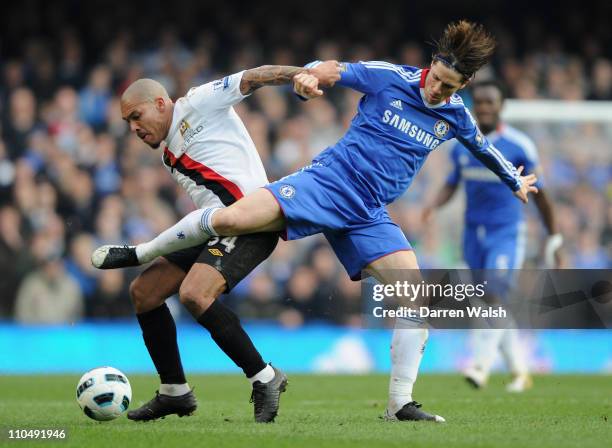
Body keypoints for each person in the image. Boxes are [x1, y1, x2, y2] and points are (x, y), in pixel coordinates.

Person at [94, 21, 539, 422]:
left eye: (450, 87)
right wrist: (308, 77)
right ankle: (142, 254)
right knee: (231, 219)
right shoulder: (391, 77)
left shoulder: (455, 114)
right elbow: (334, 69)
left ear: (464, 85)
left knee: (415, 301)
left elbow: (484, 148)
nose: (438, 91)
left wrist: (514, 180)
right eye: (438, 80)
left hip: (368, 213)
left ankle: (400, 404)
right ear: (432, 66)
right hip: (327, 182)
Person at [96, 62, 339, 423]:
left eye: (136, 116)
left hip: (253, 224)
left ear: (161, 103)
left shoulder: (197, 102)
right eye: (127, 123)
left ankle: (265, 377)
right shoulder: (167, 154)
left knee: (195, 293)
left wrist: (303, 74)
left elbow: (254, 76)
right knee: (144, 292)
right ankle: (174, 391)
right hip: (216, 227)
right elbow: (211, 210)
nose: (133, 128)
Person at [421, 80, 563, 392]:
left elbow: (541, 195)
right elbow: (452, 183)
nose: (484, 108)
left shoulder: (518, 146)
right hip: (473, 234)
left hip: (506, 232)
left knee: (495, 292)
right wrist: (433, 205)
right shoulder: (463, 146)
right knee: (486, 301)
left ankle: (480, 365)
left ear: (502, 107)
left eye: (490, 103)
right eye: (480, 103)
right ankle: (519, 371)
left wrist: (555, 237)